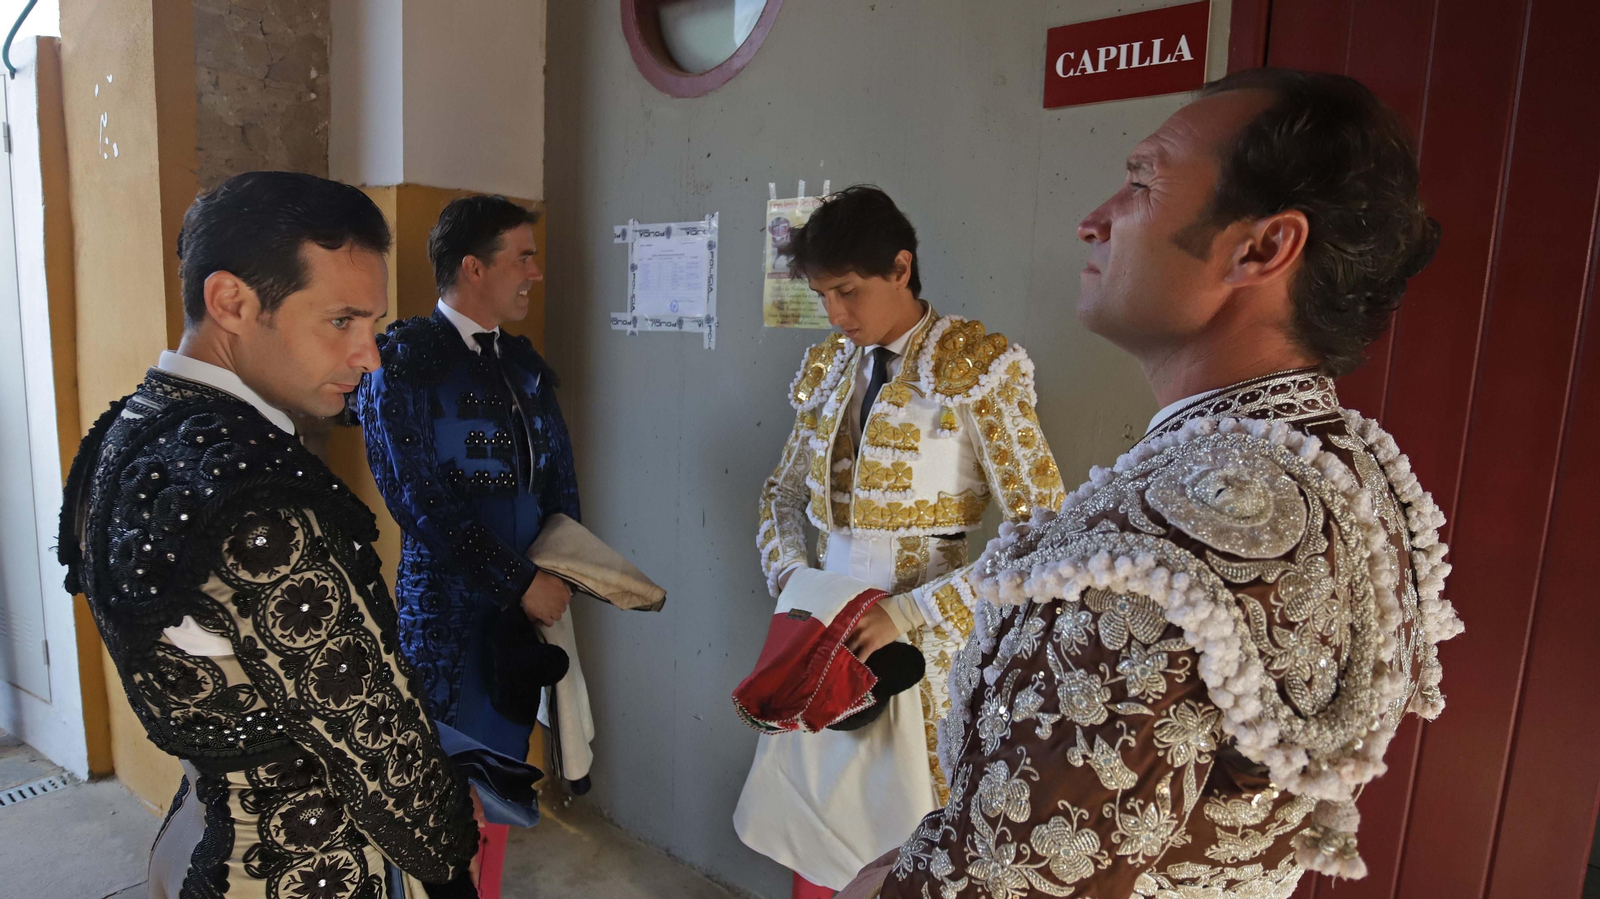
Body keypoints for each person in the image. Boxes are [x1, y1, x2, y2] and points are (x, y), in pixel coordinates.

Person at [841, 69, 1465, 899]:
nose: (1091, 220)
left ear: (1262, 247)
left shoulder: (1163, 536)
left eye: (1141, 182)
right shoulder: (1349, 463)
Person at [58, 171, 480, 898]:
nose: (369, 355)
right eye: (342, 321)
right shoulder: (256, 497)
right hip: (305, 869)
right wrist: (453, 847)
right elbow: (375, 739)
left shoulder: (130, 428)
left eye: (373, 325)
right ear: (231, 302)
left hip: (201, 825)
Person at [737, 185, 1068, 897]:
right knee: (816, 815)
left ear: (901, 267)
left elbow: (1044, 529)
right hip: (825, 628)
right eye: (824, 294)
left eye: (848, 291)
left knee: (914, 839)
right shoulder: (828, 370)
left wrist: (911, 613)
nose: (835, 313)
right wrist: (795, 582)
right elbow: (780, 493)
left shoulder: (978, 369)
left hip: (931, 647)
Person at [352, 195, 583, 899]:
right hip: (447, 620)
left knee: (505, 776)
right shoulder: (405, 360)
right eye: (523, 257)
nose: (535, 273)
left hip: (524, 607)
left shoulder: (521, 363)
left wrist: (565, 566)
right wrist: (520, 581)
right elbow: (419, 500)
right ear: (473, 268)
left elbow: (559, 476)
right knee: (444, 789)